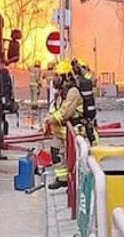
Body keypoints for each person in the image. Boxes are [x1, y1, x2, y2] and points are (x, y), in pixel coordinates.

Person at [44, 60, 83, 190]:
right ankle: (62, 179)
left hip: (72, 131)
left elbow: (65, 113)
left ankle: (75, 184)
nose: (55, 79)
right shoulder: (61, 92)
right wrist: (48, 119)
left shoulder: (73, 92)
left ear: (66, 76)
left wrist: (51, 120)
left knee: (71, 158)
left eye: (58, 76)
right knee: (55, 151)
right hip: (60, 131)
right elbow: (55, 109)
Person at [72, 58, 98, 143]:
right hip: (87, 109)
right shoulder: (83, 80)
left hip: (84, 110)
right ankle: (93, 144)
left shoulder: (81, 80)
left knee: (88, 130)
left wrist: (80, 70)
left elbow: (92, 80)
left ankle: (93, 145)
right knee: (89, 130)